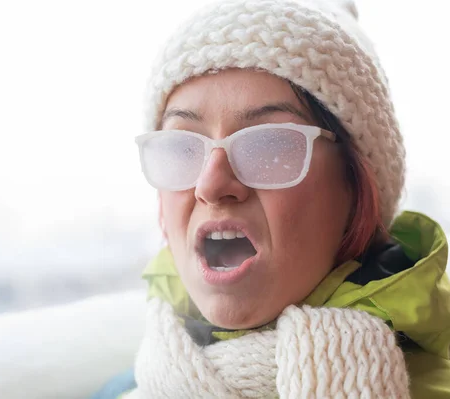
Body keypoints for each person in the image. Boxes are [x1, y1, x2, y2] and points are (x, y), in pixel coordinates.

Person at [93, 0, 450, 397]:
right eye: (182, 147)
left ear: (355, 187)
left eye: (269, 146)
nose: (211, 185)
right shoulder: (132, 387)